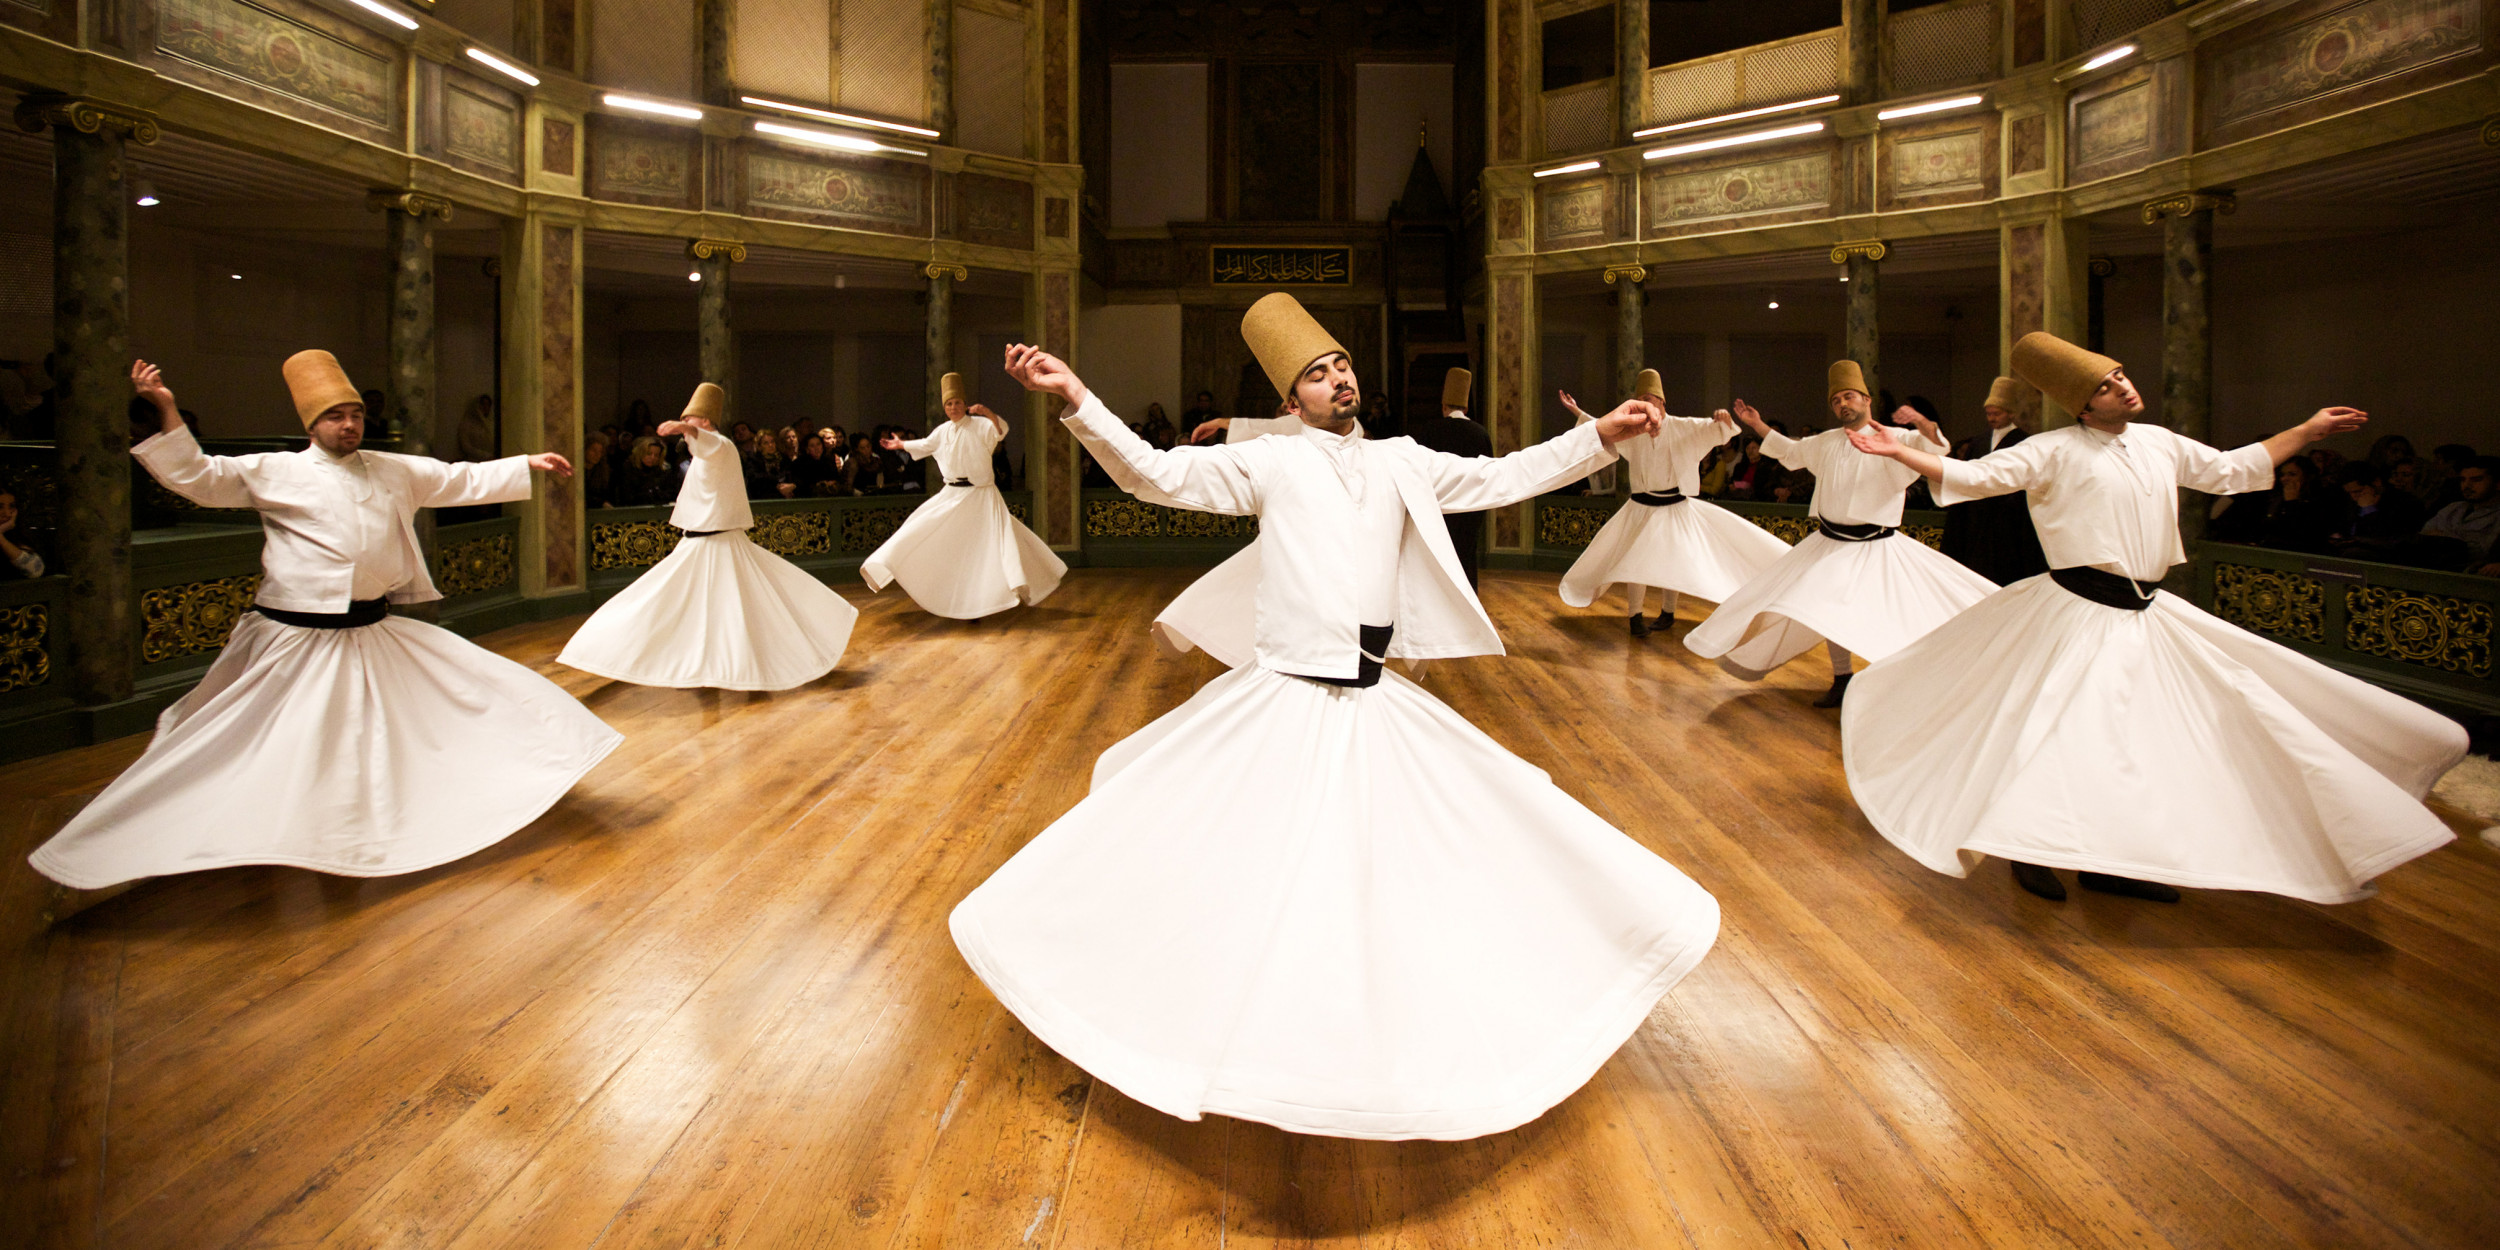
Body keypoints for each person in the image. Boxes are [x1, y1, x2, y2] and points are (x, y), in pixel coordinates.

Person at [950, 293, 1720, 1142]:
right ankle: (1226, 1022)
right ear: (1292, 401)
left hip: (1375, 699)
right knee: (1249, 865)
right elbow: (1154, 473)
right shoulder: (1271, 464)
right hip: (1286, 695)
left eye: (1342, 364)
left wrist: (1598, 437)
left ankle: (1366, 1031)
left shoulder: (1403, 459)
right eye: (1317, 374)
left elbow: (1504, 477)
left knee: (1413, 858)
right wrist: (1076, 398)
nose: (1338, 379)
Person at [1840, 331, 2465, 906]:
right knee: (2057, 733)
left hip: (2142, 611)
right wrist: (1899, 450)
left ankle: (2106, 860)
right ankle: (2024, 848)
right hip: (2077, 610)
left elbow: (2230, 469)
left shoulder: (2159, 442)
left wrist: (2304, 431)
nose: (2123, 385)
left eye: (2121, 375)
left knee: (2135, 739)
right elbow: (1974, 477)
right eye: (2108, 384)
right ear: (2085, 405)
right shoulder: (2054, 449)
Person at [30, 355, 620, 892]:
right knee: (252, 744)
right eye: (335, 416)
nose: (349, 425)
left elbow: (454, 479)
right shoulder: (276, 470)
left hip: (370, 631)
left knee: (462, 704)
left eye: (355, 414)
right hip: (295, 637)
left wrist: (527, 463)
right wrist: (163, 408)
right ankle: (210, 828)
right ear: (311, 424)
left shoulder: (391, 469)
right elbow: (201, 478)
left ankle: (371, 821)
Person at [1683, 362, 1995, 707]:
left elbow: (1936, 449)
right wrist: (1756, 424)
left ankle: (1898, 681)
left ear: (1866, 399)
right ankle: (1843, 678)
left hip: (1875, 545)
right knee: (1826, 609)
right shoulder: (1827, 441)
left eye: (1849, 397)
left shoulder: (1895, 438)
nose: (1843, 404)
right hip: (1830, 543)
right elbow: (1791, 452)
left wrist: (1924, 425)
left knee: (1889, 613)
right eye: (1836, 401)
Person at [559, 384, 857, 690]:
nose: (686, 431)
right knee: (664, 601)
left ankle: (740, 664)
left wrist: (685, 427)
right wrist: (688, 429)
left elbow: (709, 443)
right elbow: (701, 447)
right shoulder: (705, 453)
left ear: (704, 421)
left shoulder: (722, 447)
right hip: (699, 543)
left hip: (720, 543)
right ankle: (608, 649)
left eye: (691, 421)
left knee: (741, 607)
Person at [1556, 370, 1787, 637]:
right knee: (1635, 563)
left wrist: (1723, 420)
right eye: (1642, 398)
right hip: (1641, 506)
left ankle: (1668, 612)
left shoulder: (1682, 426)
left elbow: (1716, 431)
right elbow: (1599, 427)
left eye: (1652, 398)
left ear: (1663, 401)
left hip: (1674, 505)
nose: (1647, 403)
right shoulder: (1631, 430)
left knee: (1674, 560)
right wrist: (1577, 412)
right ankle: (1635, 616)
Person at [859, 372, 1066, 619]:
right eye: (949, 404)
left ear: (964, 405)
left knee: (990, 546)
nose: (954, 407)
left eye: (957, 402)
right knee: (920, 527)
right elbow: (925, 444)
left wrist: (987, 412)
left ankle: (990, 596)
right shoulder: (942, 431)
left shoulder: (980, 425)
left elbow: (1000, 431)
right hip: (953, 494)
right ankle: (895, 565)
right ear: (945, 408)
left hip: (982, 495)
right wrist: (900, 445)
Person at [1938, 377, 2048, 586]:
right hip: (1977, 522)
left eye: (1996, 413)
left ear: (2011, 413)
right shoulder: (1978, 443)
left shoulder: (2024, 442)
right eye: (1988, 414)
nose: (1991, 418)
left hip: (2009, 525)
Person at [1403, 367, 1496, 588]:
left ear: (1444, 407)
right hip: (1470, 508)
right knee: (1466, 558)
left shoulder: (1430, 430)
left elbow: (1418, 470)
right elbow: (1489, 474)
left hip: (1439, 507)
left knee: (1438, 560)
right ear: (1465, 407)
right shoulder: (1480, 433)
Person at [2209, 454, 2345, 552]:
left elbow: (2304, 533)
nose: (2285, 479)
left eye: (2292, 474)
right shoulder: (2274, 497)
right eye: (2283, 475)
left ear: (2307, 476)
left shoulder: (2322, 499)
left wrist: (2292, 502)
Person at [2331, 461, 2431, 564]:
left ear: (2376, 483)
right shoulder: (2350, 503)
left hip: (2386, 560)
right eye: (2349, 492)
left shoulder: (2406, 503)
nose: (2353, 497)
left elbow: (2390, 542)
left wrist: (2369, 510)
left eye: (2358, 491)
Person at [2421, 456, 2500, 575]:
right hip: (2431, 568)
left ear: (2498, 484)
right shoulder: (2453, 508)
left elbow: (2483, 551)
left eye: (2476, 480)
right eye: (2463, 480)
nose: (2467, 486)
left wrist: (2444, 538)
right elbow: (2423, 536)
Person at [0, 489, 41, 578]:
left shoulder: (16, 537)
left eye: (11, 506)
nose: (7, 514)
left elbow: (36, 570)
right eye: (0, 507)